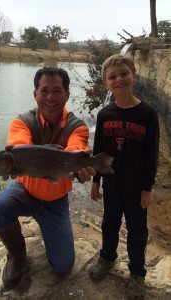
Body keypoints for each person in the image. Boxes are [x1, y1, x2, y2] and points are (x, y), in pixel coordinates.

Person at [0, 67, 95, 288]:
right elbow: (20, 146)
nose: (50, 97)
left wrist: (81, 167)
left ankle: (49, 230)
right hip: (24, 193)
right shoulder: (21, 122)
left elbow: (75, 151)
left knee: (63, 267)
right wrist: (12, 159)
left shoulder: (79, 127)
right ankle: (16, 255)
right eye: (44, 91)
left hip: (56, 202)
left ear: (67, 94)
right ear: (35, 93)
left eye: (57, 91)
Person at [88, 54, 159, 298]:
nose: (119, 79)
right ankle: (107, 257)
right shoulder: (105, 114)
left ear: (134, 76)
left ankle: (137, 273)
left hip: (137, 186)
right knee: (110, 223)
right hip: (112, 183)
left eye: (124, 74)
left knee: (137, 230)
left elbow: (151, 155)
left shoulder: (148, 114)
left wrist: (147, 188)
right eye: (112, 76)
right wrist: (96, 181)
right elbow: (98, 152)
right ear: (106, 84)